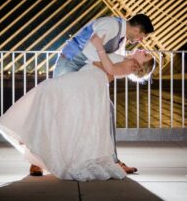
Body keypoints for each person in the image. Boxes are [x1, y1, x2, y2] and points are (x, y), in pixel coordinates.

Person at [0, 33, 156, 181]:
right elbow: (102, 66)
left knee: (48, 92)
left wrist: (98, 50)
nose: (143, 50)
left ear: (140, 66)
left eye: (146, 55)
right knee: (49, 97)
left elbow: (109, 71)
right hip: (83, 81)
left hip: (85, 85)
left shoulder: (130, 65)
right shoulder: (123, 58)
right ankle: (33, 143)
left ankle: (32, 141)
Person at [44, 14, 154, 176]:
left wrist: (107, 68)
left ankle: (112, 160)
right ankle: (38, 160)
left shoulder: (121, 38)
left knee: (105, 111)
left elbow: (112, 65)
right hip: (71, 63)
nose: (140, 40)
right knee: (59, 110)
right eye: (142, 36)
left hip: (84, 72)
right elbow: (90, 51)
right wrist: (106, 66)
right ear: (137, 29)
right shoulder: (111, 26)